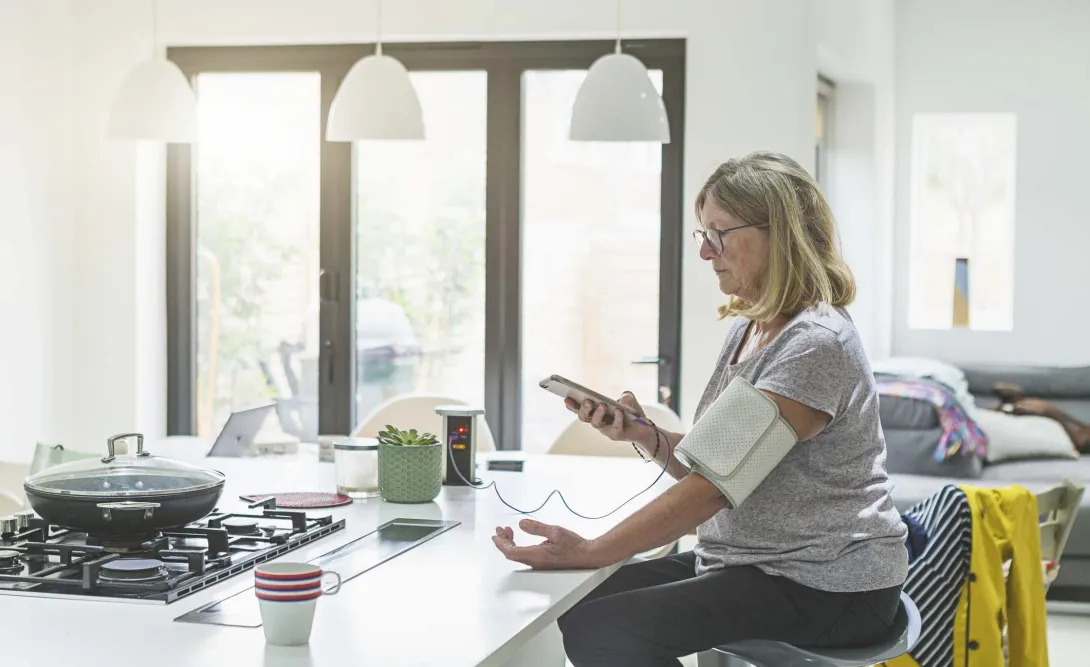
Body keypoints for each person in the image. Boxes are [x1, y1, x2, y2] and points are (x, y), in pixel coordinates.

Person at [490, 151, 910, 667]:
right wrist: (642, 434)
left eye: (719, 233)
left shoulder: (815, 344)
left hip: (829, 583)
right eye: (703, 234)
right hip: (757, 564)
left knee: (603, 630)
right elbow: (715, 463)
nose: (706, 252)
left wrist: (594, 548)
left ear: (779, 233)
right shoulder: (750, 329)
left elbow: (711, 488)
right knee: (579, 601)